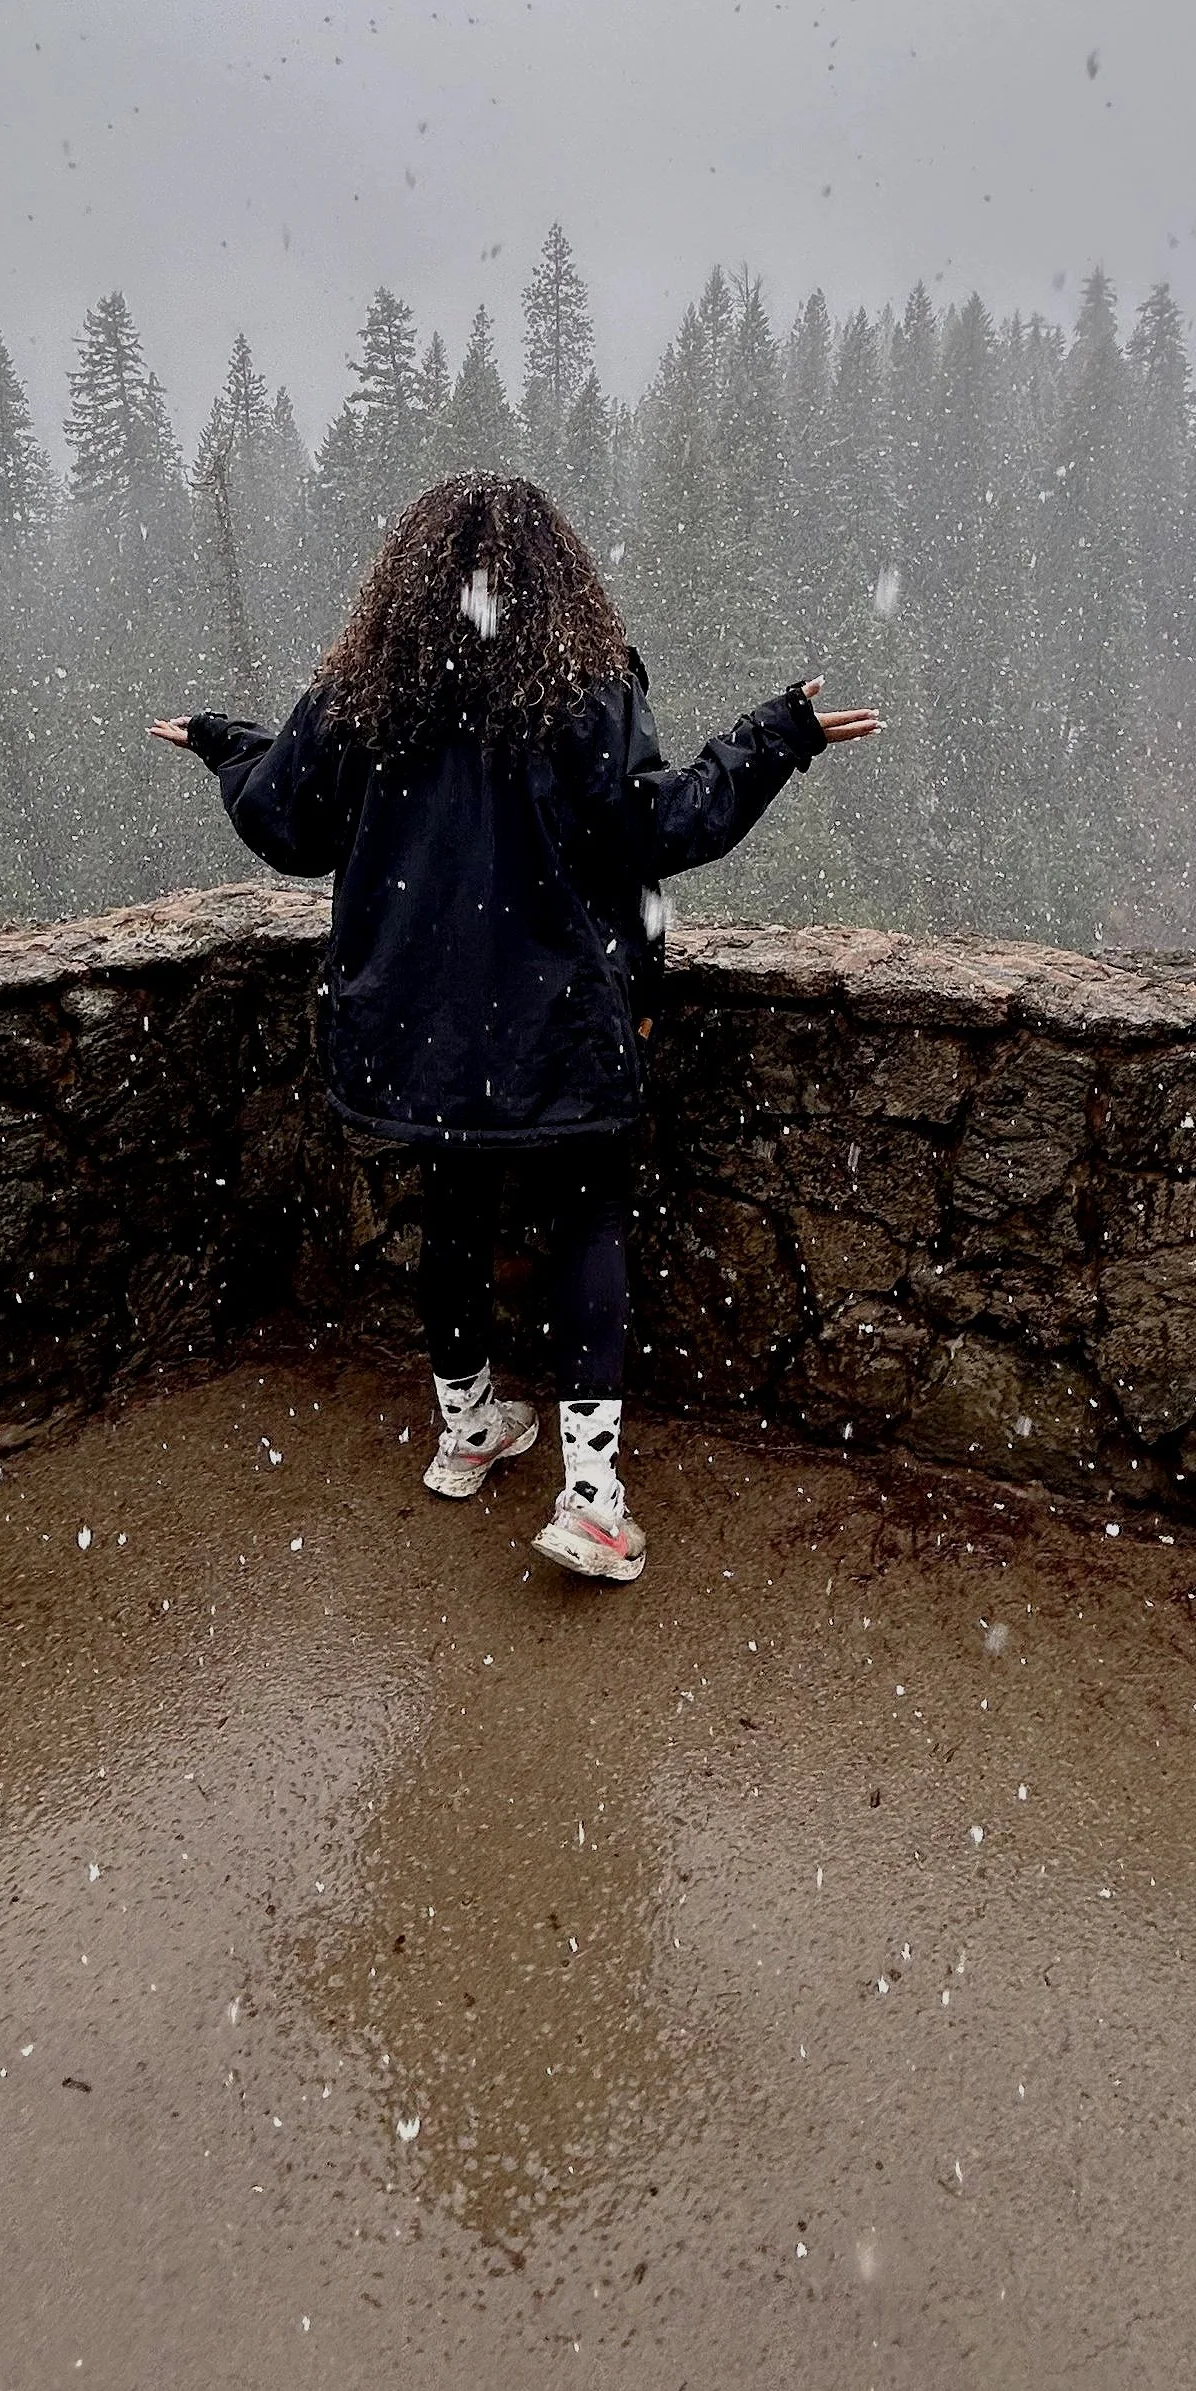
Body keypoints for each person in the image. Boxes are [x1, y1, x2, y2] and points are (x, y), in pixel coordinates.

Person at [154, 472, 878, 1586]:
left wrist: (226, 743)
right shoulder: (583, 692)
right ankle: (589, 1497)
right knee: (590, 1223)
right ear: (559, 575)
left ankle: (466, 1428)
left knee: (451, 1208)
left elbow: (286, 823)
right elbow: (660, 828)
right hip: (555, 1023)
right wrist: (773, 738)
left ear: (403, 579)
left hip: (419, 1031)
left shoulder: (361, 694)